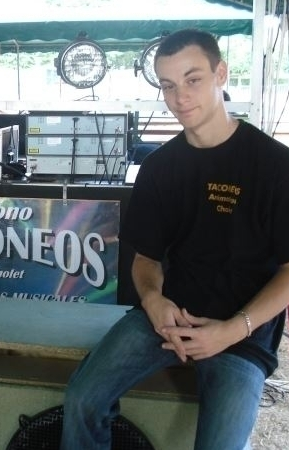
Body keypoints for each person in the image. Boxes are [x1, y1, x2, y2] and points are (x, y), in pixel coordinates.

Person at [61, 28, 289, 450]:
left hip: (242, 331)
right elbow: (145, 259)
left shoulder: (275, 165)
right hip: (167, 316)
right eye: (168, 85)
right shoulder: (160, 167)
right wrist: (153, 301)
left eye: (193, 79)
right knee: (81, 399)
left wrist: (231, 330)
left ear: (221, 74)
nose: (180, 96)